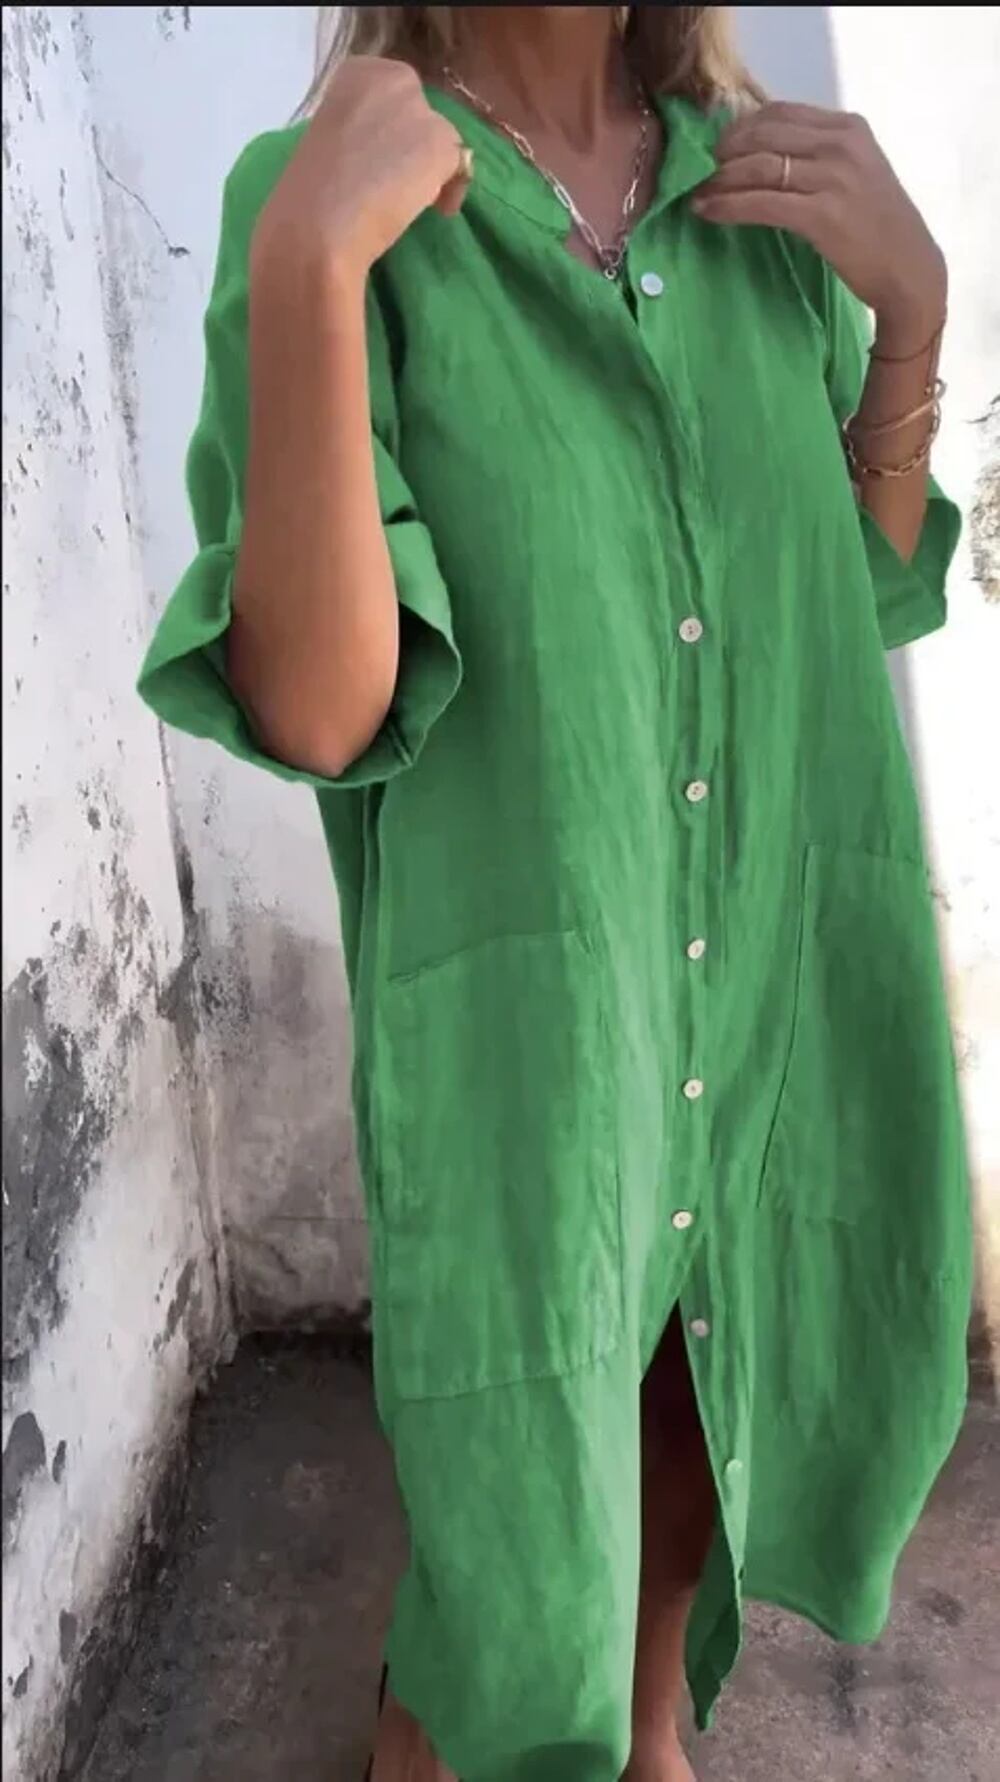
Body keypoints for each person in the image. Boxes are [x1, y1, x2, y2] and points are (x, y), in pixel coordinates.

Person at [138, 6, 973, 1779]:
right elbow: (320, 706)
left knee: (703, 1372)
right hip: (545, 999)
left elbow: (851, 586)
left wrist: (910, 324)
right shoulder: (330, 199)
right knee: (531, 1446)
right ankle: (449, 1723)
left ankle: (648, 1712)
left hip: (769, 947)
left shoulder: (760, 194)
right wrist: (310, 275)